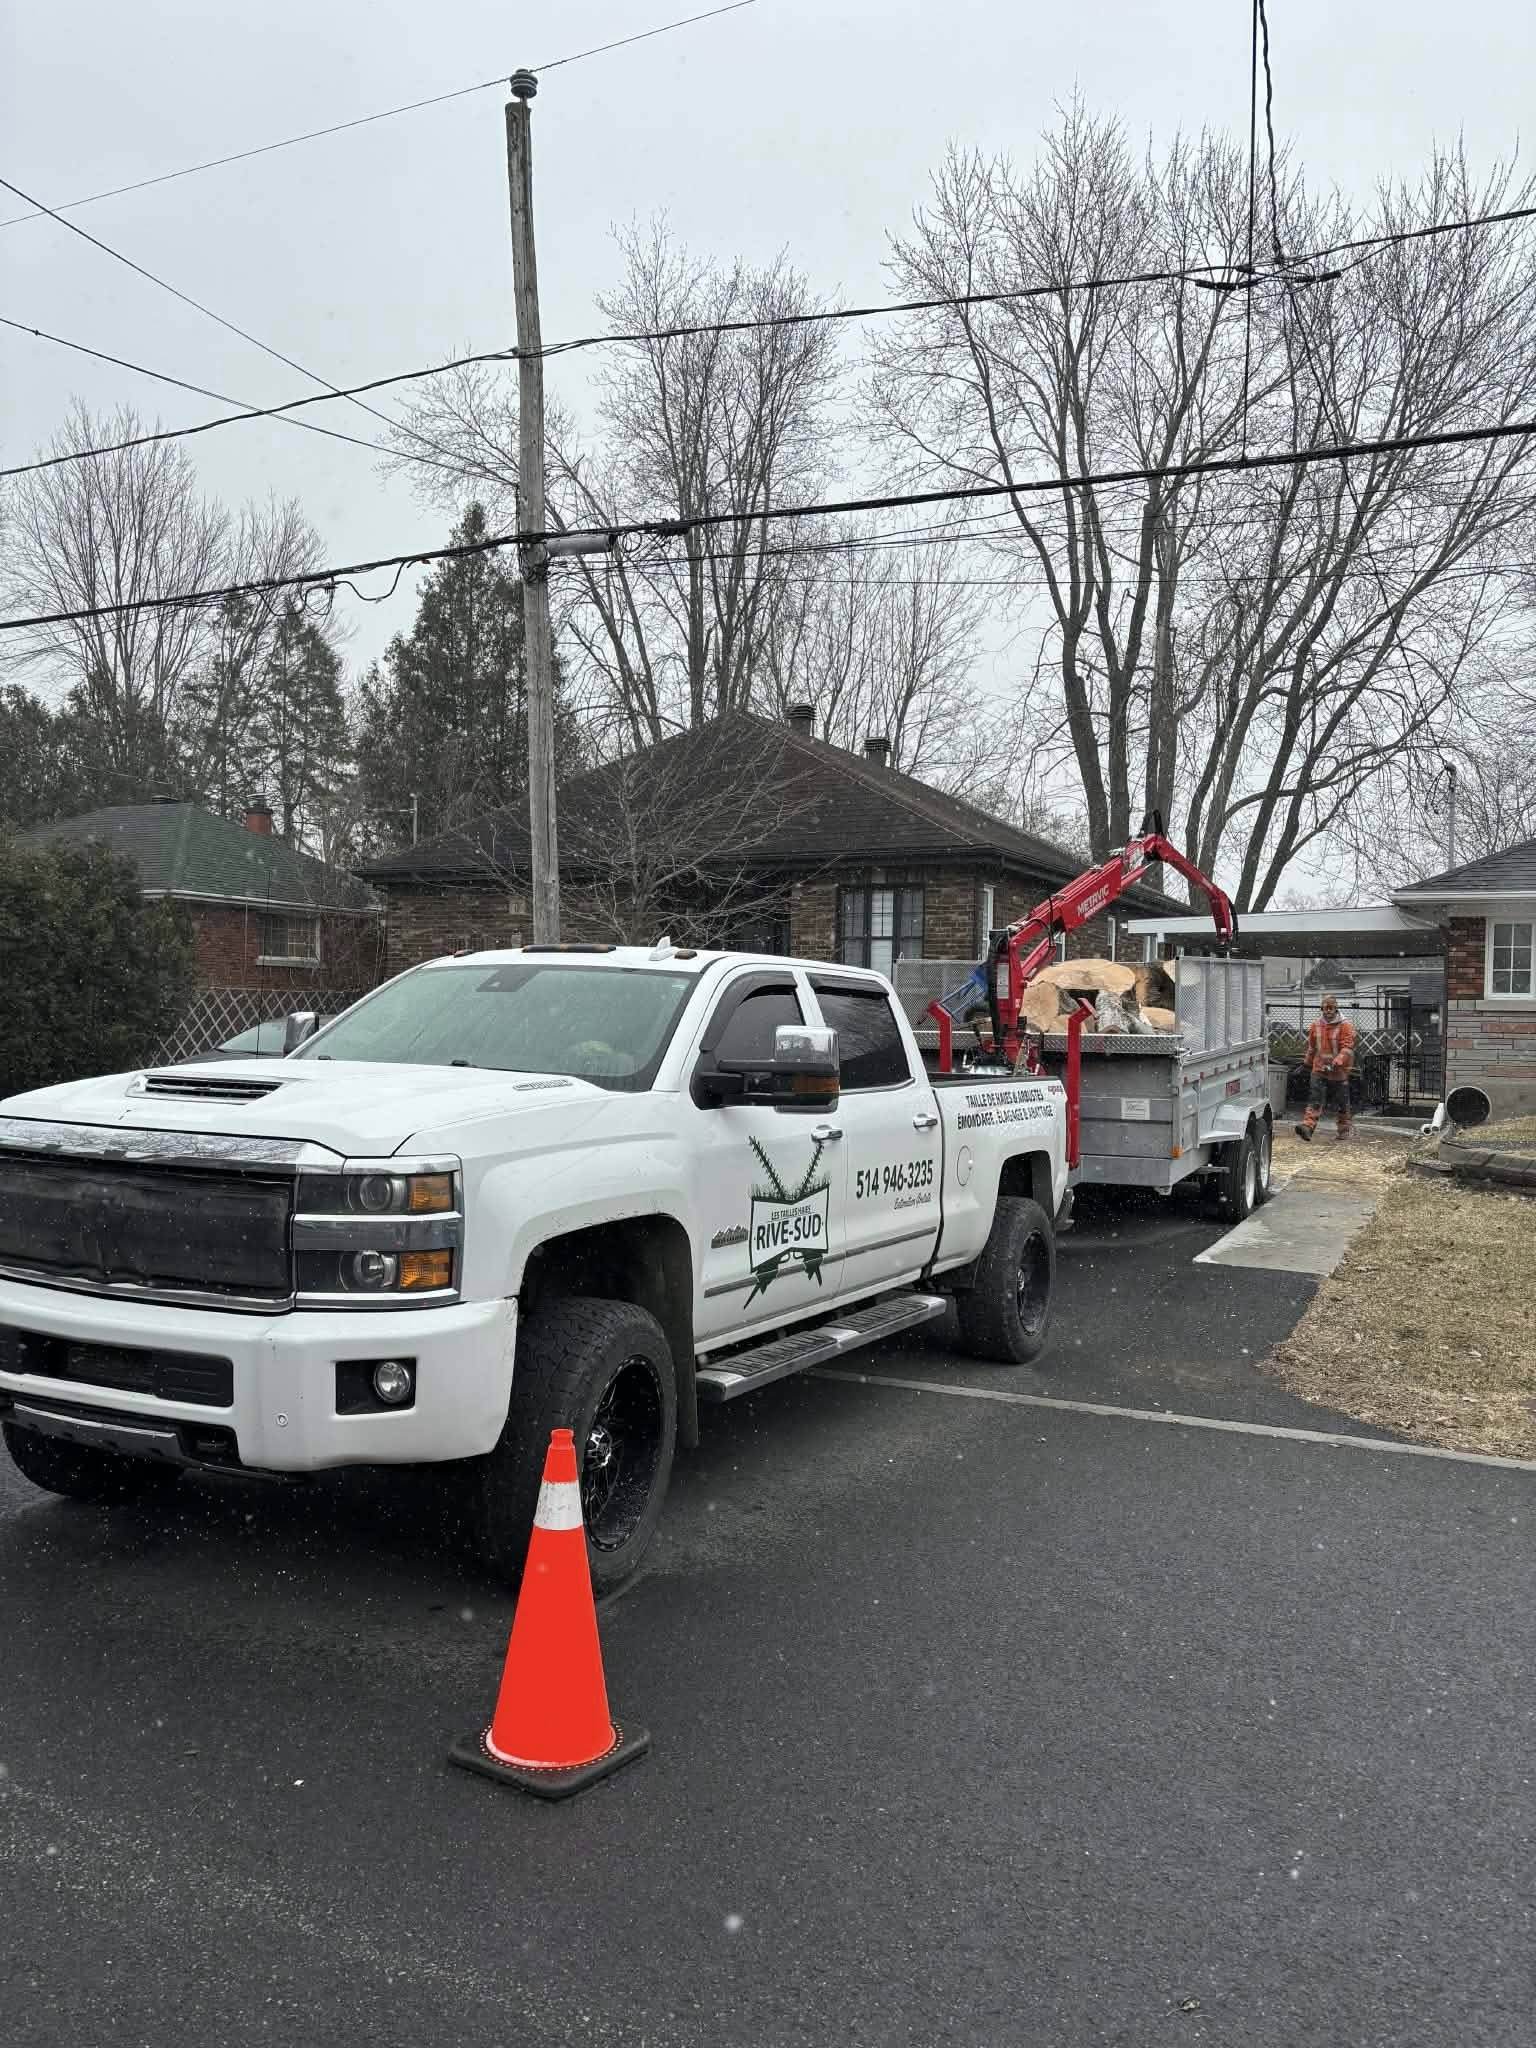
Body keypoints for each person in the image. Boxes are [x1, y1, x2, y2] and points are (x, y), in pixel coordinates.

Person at [1295, 994, 1355, 1142]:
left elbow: (1347, 1048)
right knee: (1315, 1098)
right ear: (1322, 1008)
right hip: (1319, 1068)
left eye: (1331, 1008)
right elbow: (1312, 1047)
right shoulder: (1316, 1025)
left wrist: (1337, 1061)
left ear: (1336, 1009)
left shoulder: (1345, 1025)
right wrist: (1306, 1064)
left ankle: (1343, 1130)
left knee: (1342, 1102)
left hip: (1339, 1070)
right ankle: (1308, 1127)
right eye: (1325, 1008)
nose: (1328, 1011)